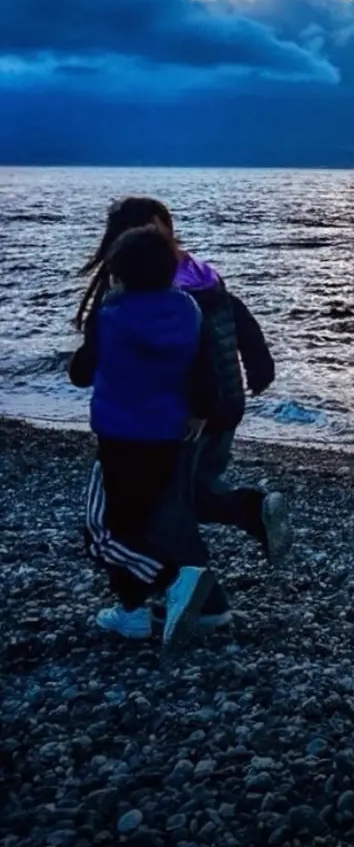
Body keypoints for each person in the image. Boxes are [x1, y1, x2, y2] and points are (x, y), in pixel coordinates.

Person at [75, 197, 294, 631]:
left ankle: (205, 603)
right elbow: (237, 323)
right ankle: (250, 509)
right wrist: (258, 365)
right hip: (221, 406)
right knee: (191, 494)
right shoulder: (199, 276)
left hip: (176, 420)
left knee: (168, 514)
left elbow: (93, 364)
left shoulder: (134, 293)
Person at [69, 225, 221, 649]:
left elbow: (81, 374)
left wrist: (83, 360)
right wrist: (201, 412)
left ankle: (174, 579)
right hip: (170, 436)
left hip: (119, 439)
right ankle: (132, 611)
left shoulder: (110, 314)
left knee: (102, 533)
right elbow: (205, 372)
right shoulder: (189, 310)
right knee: (139, 521)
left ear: (118, 273)